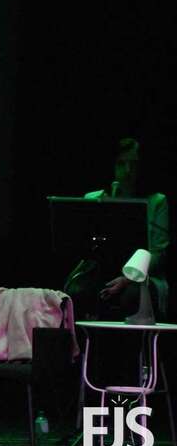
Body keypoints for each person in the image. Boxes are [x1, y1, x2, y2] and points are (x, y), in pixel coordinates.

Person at [64, 137, 169, 321]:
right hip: (101, 271)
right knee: (77, 291)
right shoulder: (95, 199)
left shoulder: (156, 202)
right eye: (121, 163)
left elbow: (158, 253)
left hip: (141, 277)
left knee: (131, 295)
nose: (128, 171)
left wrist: (127, 278)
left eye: (133, 164)